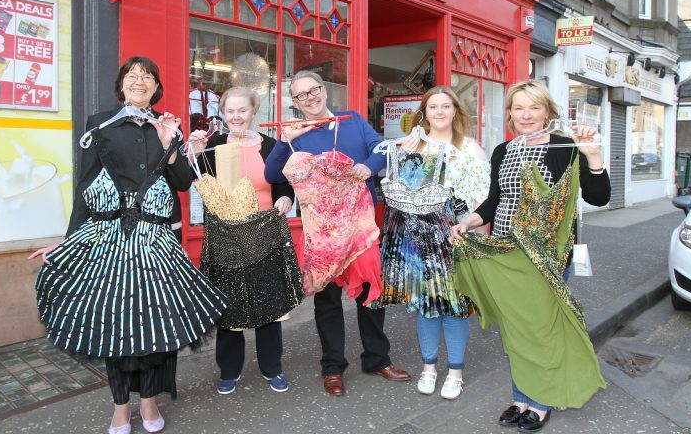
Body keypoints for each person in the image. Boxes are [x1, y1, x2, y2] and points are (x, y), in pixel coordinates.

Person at [31, 56, 227, 434]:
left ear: (156, 87)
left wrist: (170, 144)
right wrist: (70, 243)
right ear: (121, 84)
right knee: (115, 327)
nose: (139, 81)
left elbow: (182, 182)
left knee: (155, 327)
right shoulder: (100, 124)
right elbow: (86, 187)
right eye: (132, 75)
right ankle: (120, 408)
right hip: (111, 243)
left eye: (147, 76)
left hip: (156, 244)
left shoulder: (166, 125)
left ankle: (149, 402)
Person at [449, 80, 610, 432]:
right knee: (516, 331)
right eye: (518, 108)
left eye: (534, 107)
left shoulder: (565, 147)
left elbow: (599, 197)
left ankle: (540, 401)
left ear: (547, 111)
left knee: (542, 330)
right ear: (509, 113)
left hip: (547, 258)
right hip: (505, 255)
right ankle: (521, 398)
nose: (526, 115)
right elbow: (495, 201)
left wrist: (593, 157)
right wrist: (468, 222)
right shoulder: (503, 150)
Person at [264, 70, 410, 397]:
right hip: (323, 231)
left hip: (359, 225)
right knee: (327, 300)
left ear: (324, 90)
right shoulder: (295, 134)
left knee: (370, 292)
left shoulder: (352, 120)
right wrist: (284, 141)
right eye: (301, 95)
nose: (310, 97)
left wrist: (369, 166)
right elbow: (273, 174)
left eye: (313, 90)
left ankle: (377, 358)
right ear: (295, 101)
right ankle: (332, 367)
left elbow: (382, 148)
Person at [375, 86, 490, 401]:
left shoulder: (470, 148)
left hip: (456, 237)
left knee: (455, 307)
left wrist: (480, 241)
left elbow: (482, 200)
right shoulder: (413, 145)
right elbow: (399, 195)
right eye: (433, 107)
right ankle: (429, 368)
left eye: (446, 106)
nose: (439, 112)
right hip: (419, 241)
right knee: (425, 306)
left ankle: (455, 373)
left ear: (455, 111)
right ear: (424, 112)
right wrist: (406, 152)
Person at [188, 86, 304, 396]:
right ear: (223, 114)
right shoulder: (214, 144)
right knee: (230, 307)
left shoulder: (270, 145)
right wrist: (194, 154)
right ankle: (229, 370)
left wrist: (285, 199)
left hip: (265, 232)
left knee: (269, 304)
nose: (236, 116)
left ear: (253, 111)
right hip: (227, 236)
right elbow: (195, 178)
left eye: (242, 110)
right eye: (230, 111)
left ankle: (272, 367)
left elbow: (283, 182)